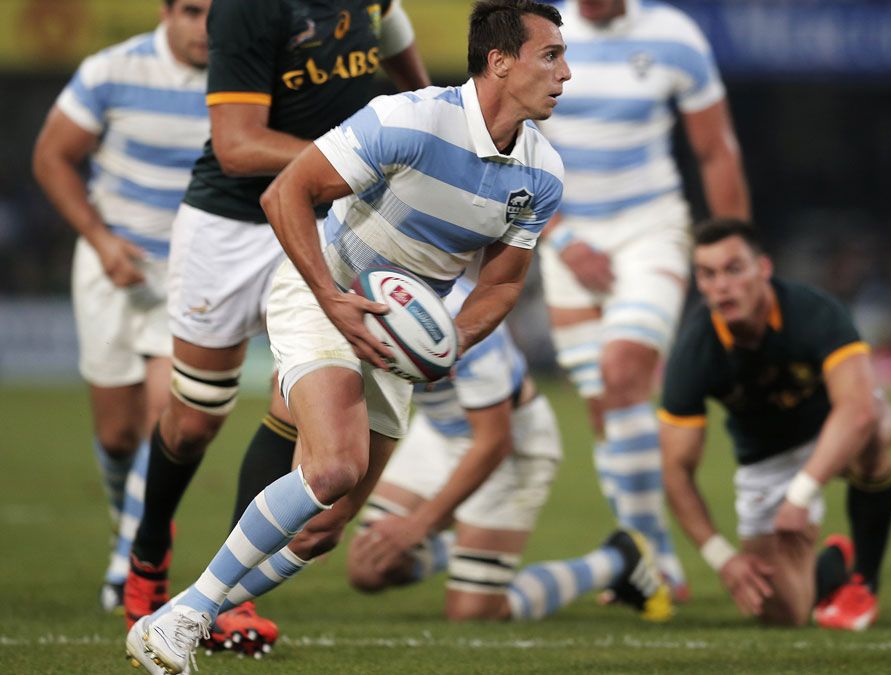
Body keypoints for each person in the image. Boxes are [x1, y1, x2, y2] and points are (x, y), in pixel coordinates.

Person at [126, 1, 570, 671]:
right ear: (501, 62)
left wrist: (449, 341)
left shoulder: (544, 174)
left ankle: (179, 612)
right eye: (551, 55)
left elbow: (502, 285)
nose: (566, 72)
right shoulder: (411, 118)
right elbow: (285, 194)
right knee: (333, 466)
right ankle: (183, 617)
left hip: (393, 330)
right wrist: (332, 299)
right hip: (325, 288)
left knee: (324, 527)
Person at [121, 0, 430, 644]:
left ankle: (224, 597)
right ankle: (149, 552)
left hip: (326, 222)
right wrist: (357, 159)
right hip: (228, 226)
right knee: (196, 417)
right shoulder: (247, 8)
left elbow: (413, 81)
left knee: (299, 402)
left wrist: (427, 137)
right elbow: (235, 148)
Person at [535, 0, 750, 598]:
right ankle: (647, 554)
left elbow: (715, 149)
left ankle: (656, 561)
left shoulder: (674, 35)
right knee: (606, 406)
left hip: (651, 224)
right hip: (564, 232)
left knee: (623, 367)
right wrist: (565, 239)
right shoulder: (537, 32)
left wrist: (738, 259)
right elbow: (505, 146)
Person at [345, 278, 671, 623]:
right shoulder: (364, 291)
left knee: (472, 613)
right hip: (437, 431)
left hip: (513, 444)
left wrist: (420, 525)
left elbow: (494, 441)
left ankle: (619, 559)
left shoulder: (463, 322)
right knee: (368, 569)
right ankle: (471, 541)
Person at [30, 0, 211, 615]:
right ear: (166, 12)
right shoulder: (112, 70)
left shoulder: (244, 76)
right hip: (111, 266)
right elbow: (51, 156)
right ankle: (126, 520)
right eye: (192, 10)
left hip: (188, 275)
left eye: (218, 12)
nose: (205, 26)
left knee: (167, 414)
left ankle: (128, 563)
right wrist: (102, 239)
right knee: (116, 436)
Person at [660, 218, 891, 629]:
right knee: (784, 612)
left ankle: (863, 583)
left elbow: (857, 409)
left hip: (833, 431)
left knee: (875, 427)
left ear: (763, 269)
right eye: (708, 274)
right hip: (767, 461)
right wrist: (723, 558)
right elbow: (675, 471)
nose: (721, 286)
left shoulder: (812, 311)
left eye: (734, 269)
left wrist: (802, 493)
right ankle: (831, 568)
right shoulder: (694, 351)